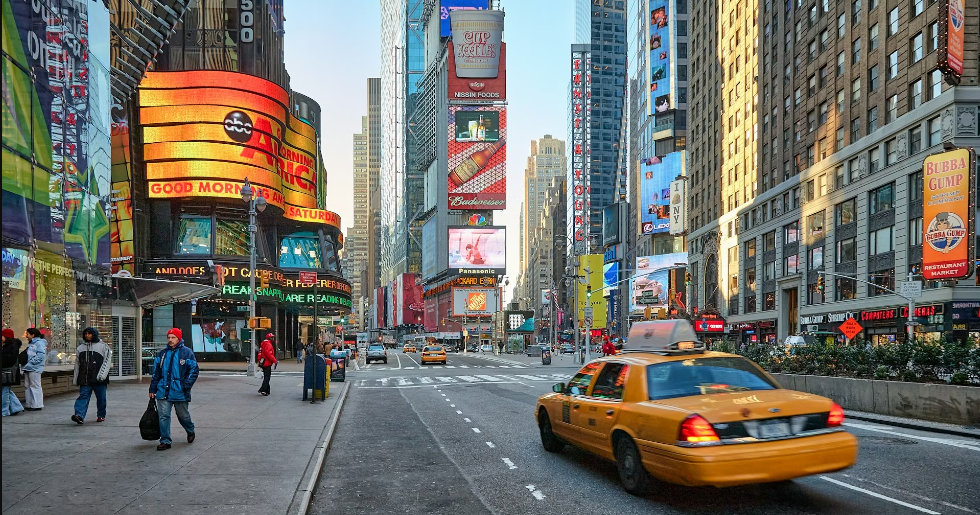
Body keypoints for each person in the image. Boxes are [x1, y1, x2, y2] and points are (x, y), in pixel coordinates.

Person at [149, 328, 199, 451]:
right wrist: (152, 389)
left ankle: (190, 429)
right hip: (163, 390)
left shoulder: (187, 353)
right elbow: (156, 373)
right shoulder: (162, 354)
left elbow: (194, 370)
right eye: (169, 337)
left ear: (179, 338)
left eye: (173, 337)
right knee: (163, 416)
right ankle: (165, 440)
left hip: (179, 391)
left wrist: (185, 386)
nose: (170, 340)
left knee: (183, 415)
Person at [71, 327, 112, 424]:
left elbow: (107, 362)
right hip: (85, 378)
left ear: (94, 334)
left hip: (99, 378)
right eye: (86, 334)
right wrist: (76, 378)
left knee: (101, 398)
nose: (87, 335)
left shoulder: (103, 346)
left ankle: (101, 415)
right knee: (83, 396)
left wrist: (102, 376)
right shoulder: (80, 348)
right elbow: (77, 365)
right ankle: (79, 415)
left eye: (89, 334)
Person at [2, 330, 27, 417]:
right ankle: (16, 407)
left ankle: (4, 410)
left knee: (4, 391)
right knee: (7, 390)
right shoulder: (10, 345)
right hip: (8, 372)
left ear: (6, 336)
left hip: (7, 372)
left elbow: (8, 359)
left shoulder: (11, 346)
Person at [22, 328, 47, 410]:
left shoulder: (39, 343)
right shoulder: (32, 343)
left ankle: (37, 404)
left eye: (28, 334)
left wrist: (30, 363)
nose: (26, 336)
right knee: (28, 386)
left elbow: (41, 356)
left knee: (35, 386)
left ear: (33, 335)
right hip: (29, 367)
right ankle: (30, 404)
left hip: (34, 368)